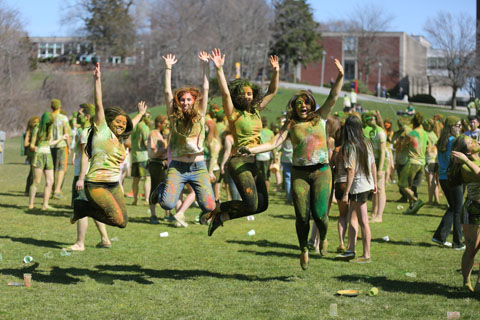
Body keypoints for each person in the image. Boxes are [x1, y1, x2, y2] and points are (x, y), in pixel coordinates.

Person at [241, 59, 344, 269]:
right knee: (302, 215)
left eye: (306, 103)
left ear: (311, 104)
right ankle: (303, 248)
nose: (303, 107)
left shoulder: (320, 119)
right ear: (294, 108)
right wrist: (251, 150)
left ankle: (323, 237)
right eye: (299, 104)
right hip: (300, 173)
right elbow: (273, 143)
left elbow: (333, 97)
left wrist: (341, 76)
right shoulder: (291, 124)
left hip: (322, 171)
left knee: (321, 214)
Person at [206, 48, 279, 236]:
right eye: (243, 94)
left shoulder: (255, 111)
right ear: (237, 95)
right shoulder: (234, 114)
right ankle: (218, 207)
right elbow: (224, 94)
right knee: (251, 203)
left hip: (254, 160)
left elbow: (272, 91)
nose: (247, 96)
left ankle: (221, 218)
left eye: (249, 94)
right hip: (239, 161)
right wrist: (219, 69)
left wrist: (276, 71)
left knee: (261, 205)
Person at [71, 62, 147, 228]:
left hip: (113, 184)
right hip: (96, 183)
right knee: (115, 219)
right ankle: (83, 208)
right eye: (118, 122)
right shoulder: (102, 130)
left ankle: (85, 209)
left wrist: (140, 114)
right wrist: (97, 80)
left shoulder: (120, 138)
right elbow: (99, 103)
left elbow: (130, 124)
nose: (121, 125)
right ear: (109, 121)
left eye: (123, 124)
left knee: (122, 222)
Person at [150, 52, 216, 223]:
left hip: (198, 166)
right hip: (178, 167)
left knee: (209, 206)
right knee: (167, 204)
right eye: (182, 100)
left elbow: (206, 88)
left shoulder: (200, 114)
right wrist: (168, 68)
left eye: (188, 100)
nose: (185, 102)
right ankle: (161, 189)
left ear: (194, 101)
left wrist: (205, 66)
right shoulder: (174, 117)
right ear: (178, 102)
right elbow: (166, 91)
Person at [336, 115, 377, 263]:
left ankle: (366, 255)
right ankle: (350, 249)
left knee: (363, 221)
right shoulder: (367, 142)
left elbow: (351, 170)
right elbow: (373, 165)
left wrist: (346, 193)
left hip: (358, 186)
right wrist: (375, 183)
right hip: (367, 184)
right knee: (351, 217)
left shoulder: (349, 145)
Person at [69, 104, 110, 250]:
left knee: (82, 209)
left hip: (85, 176)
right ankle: (105, 239)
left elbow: (86, 156)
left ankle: (80, 243)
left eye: (80, 114)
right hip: (95, 175)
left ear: (87, 116)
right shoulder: (98, 133)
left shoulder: (85, 132)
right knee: (93, 209)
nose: (77, 116)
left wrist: (80, 178)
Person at [450, 136, 480, 292]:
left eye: (473, 139)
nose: (475, 141)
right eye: (470, 142)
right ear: (466, 152)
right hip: (474, 210)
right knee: (472, 249)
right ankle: (466, 283)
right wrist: (467, 161)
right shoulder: (465, 166)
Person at [433, 116, 463, 248]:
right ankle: (457, 242)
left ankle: (439, 237)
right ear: (451, 126)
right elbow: (456, 159)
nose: (460, 128)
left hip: (443, 177)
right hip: (453, 177)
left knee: (452, 207)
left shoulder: (442, 140)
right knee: (458, 209)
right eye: (458, 125)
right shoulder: (453, 141)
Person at [28, 112, 68, 210]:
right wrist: (36, 149)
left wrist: (61, 138)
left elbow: (50, 143)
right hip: (39, 157)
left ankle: (45, 204)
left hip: (48, 156)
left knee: (50, 181)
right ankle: (31, 204)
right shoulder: (37, 129)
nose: (51, 124)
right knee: (36, 181)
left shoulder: (49, 130)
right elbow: (31, 145)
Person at [399, 113, 428, 215]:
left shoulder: (412, 133)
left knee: (403, 185)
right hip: (422, 162)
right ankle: (411, 208)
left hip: (413, 162)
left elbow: (402, 146)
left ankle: (416, 201)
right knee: (412, 187)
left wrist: (406, 132)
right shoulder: (425, 133)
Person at [365, 111, 387, 223]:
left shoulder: (380, 132)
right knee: (375, 189)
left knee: (380, 189)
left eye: (367, 120)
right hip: (374, 161)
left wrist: (380, 169)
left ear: (372, 119)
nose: (366, 122)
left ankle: (379, 216)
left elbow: (383, 152)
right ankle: (373, 212)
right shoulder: (373, 131)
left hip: (381, 162)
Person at [148, 115, 169, 224]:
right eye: (165, 123)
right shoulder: (154, 134)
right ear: (159, 123)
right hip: (156, 164)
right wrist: (166, 147)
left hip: (164, 163)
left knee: (166, 189)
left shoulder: (161, 134)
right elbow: (155, 152)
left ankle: (167, 214)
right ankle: (153, 215)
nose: (166, 125)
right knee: (155, 188)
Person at [50, 99, 72, 199]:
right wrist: (69, 146)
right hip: (61, 145)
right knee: (61, 169)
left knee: (52, 168)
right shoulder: (63, 118)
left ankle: (51, 189)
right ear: (60, 107)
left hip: (50, 146)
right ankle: (57, 190)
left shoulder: (49, 117)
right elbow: (66, 133)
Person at [131, 112, 152, 205]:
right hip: (143, 156)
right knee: (147, 178)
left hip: (135, 156)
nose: (150, 119)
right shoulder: (144, 127)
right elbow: (146, 142)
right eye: (149, 116)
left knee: (136, 179)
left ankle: (135, 200)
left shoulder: (135, 126)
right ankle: (147, 199)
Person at [424, 119, 440, 205]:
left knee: (430, 181)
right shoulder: (435, 135)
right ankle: (436, 200)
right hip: (435, 160)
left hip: (429, 160)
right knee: (434, 181)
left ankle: (430, 200)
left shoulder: (426, 134)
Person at [24, 116, 40, 195]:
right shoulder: (29, 132)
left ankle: (31, 190)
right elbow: (25, 143)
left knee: (34, 173)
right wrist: (33, 144)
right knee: (32, 173)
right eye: (34, 122)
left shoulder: (37, 131)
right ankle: (28, 190)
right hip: (31, 153)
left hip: (36, 153)